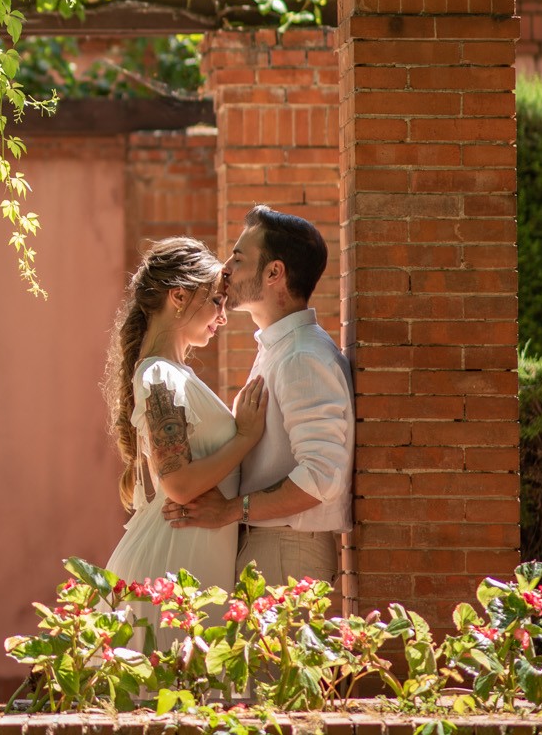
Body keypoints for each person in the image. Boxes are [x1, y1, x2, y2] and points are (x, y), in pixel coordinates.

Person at [163, 206, 354, 589]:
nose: (225, 269)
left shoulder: (302, 355)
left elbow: (322, 475)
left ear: (273, 273)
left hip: (287, 549)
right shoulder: (280, 349)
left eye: (238, 257)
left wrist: (232, 510)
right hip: (273, 546)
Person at [102, 237, 270, 621]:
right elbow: (177, 483)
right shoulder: (159, 375)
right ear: (178, 296)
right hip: (173, 561)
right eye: (215, 301)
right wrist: (245, 437)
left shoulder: (172, 374)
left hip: (191, 558)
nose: (222, 317)